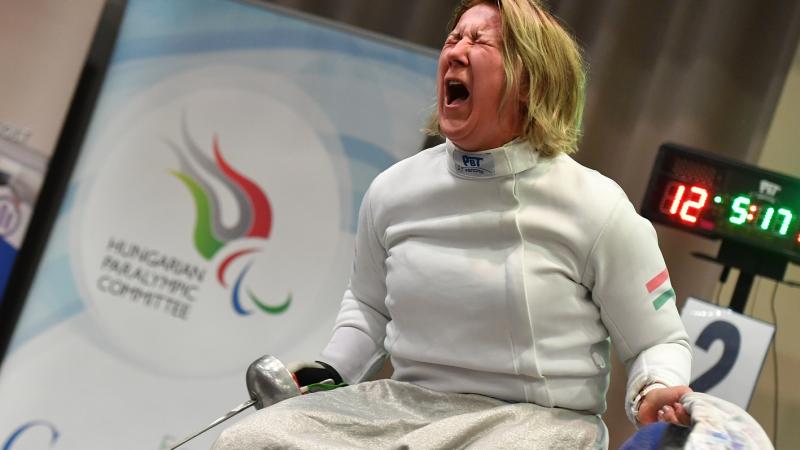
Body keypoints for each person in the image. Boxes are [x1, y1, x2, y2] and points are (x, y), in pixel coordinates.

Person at [214, 0, 692, 448]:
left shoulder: (596, 206)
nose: (457, 50)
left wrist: (655, 387)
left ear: (531, 81)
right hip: (402, 407)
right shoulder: (395, 189)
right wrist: (330, 369)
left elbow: (656, 339)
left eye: (480, 42)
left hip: (534, 421)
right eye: (453, 38)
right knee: (252, 440)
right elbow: (368, 307)